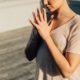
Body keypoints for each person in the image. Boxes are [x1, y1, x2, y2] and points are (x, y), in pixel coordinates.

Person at [28, 0, 80, 80]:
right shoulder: (43, 19)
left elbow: (67, 71)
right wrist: (37, 35)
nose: (45, 2)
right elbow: (29, 55)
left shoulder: (76, 24)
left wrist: (46, 37)